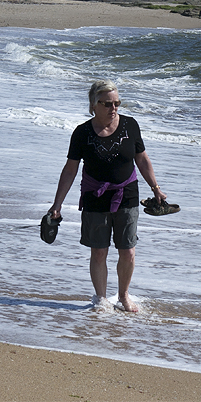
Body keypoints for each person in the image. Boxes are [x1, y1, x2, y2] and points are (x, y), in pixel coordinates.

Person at [48, 80, 166, 313]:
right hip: (95, 195)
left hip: (127, 193)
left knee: (128, 250)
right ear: (94, 104)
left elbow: (142, 159)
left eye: (117, 103)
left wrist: (155, 188)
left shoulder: (131, 126)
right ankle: (101, 299)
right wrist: (57, 204)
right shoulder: (82, 133)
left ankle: (123, 296)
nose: (114, 109)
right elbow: (70, 169)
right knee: (99, 250)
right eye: (107, 104)